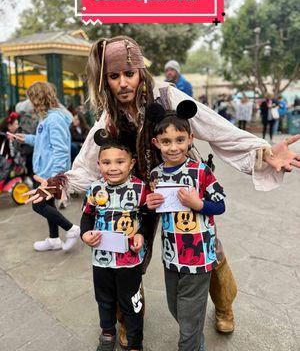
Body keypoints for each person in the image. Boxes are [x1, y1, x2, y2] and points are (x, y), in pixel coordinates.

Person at [24, 36, 300, 339]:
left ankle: (224, 306)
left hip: (180, 185)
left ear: (141, 71)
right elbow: (88, 161)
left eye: (129, 73)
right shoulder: (110, 117)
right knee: (127, 248)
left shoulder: (168, 97)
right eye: (114, 76)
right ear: (107, 81)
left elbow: (216, 128)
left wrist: (263, 152)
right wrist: (57, 183)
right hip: (138, 195)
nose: (123, 83)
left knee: (209, 248)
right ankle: (126, 321)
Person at [146, 100, 226, 351]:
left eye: (179, 140)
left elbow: (221, 205)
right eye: (166, 142)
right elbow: (155, 208)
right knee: (177, 307)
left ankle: (191, 345)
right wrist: (150, 203)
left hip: (199, 256)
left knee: (190, 316)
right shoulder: (155, 175)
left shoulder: (201, 171)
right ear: (156, 143)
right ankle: (195, 339)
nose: (173, 147)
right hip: (171, 255)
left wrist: (198, 203)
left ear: (190, 139)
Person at [81, 131, 148, 351]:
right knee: (105, 300)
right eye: (106, 162)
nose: (113, 167)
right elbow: (88, 215)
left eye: (120, 161)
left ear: (131, 163)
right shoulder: (94, 188)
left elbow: (149, 215)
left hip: (129, 261)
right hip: (101, 260)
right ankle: (107, 335)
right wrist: (85, 234)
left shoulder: (140, 188)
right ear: (99, 165)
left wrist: (141, 234)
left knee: (131, 303)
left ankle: (135, 342)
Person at [9, 82, 80, 251]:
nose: (30, 102)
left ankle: (71, 229)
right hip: (45, 172)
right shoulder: (47, 118)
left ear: (38, 98)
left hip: (49, 174)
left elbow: (61, 150)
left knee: (38, 205)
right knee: (48, 205)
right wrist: (25, 138)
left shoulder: (54, 119)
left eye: (31, 98)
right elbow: (43, 142)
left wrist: (54, 178)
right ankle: (54, 239)